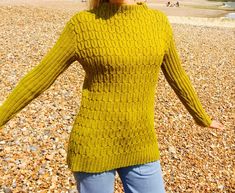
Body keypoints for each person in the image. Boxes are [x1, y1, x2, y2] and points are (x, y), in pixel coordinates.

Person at [0, 0, 225, 192]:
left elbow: (178, 77)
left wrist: (202, 117)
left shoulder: (159, 23)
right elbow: (40, 77)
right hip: (93, 145)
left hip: (141, 142)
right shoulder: (82, 25)